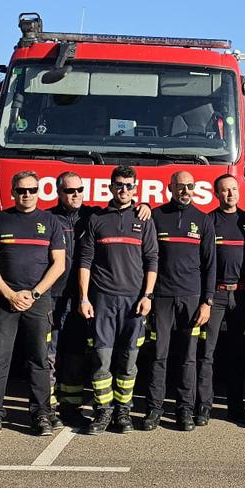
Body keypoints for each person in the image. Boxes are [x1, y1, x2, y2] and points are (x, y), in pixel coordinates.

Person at [0, 172, 67, 438]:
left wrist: (34, 294)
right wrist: (9, 294)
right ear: (13, 192)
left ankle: (40, 414)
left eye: (32, 190)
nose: (26, 194)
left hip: (38, 304)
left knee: (39, 361)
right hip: (4, 304)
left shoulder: (50, 222)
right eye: (21, 190)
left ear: (39, 191)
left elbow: (58, 264)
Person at [76, 167, 159, 434]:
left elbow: (152, 260)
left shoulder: (144, 219)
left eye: (128, 185)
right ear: (110, 187)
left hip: (134, 304)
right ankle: (103, 412)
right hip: (102, 301)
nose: (123, 190)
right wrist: (84, 298)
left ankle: (123, 412)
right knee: (101, 360)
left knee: (128, 361)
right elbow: (85, 261)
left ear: (136, 189)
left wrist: (147, 295)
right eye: (118, 185)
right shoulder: (96, 219)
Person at [149, 171, 216, 432]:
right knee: (158, 356)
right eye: (180, 186)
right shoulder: (155, 216)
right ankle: (154, 410)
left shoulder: (203, 220)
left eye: (189, 186)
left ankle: (184, 411)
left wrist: (207, 301)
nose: (185, 191)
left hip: (191, 299)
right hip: (161, 298)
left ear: (195, 188)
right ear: (170, 188)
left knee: (188, 358)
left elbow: (211, 265)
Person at [203, 173, 245, 425]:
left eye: (234, 189)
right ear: (217, 193)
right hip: (216, 295)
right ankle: (203, 405)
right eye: (225, 190)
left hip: (241, 295)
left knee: (237, 353)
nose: (230, 194)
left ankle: (236, 406)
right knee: (208, 352)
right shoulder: (208, 222)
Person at [48, 171, 91, 421]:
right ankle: (48, 409)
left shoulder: (92, 216)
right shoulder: (47, 219)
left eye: (79, 190)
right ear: (59, 193)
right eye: (69, 191)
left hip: (80, 298)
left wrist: (144, 206)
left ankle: (71, 408)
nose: (75, 195)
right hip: (53, 296)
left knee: (75, 354)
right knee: (49, 354)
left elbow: (124, 207)